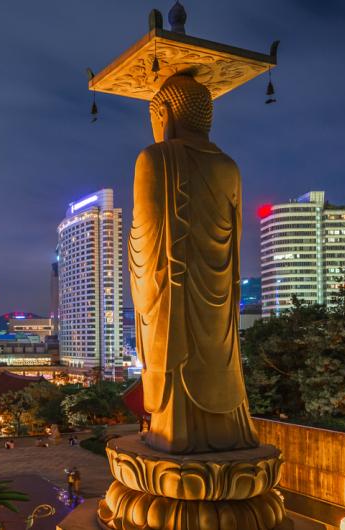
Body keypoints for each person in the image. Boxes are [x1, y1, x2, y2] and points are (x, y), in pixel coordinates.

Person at [131, 74, 259, 454]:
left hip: (175, 298)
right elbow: (233, 250)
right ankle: (229, 434)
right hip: (219, 302)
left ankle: (175, 435)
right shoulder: (229, 167)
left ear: (165, 113)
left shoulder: (155, 158)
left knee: (175, 359)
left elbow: (147, 238)